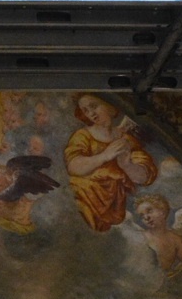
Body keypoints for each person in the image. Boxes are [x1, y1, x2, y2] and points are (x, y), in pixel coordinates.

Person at [64, 95, 157, 232]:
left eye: (94, 106)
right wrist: (104, 156)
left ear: (109, 104)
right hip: (86, 197)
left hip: (115, 203)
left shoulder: (126, 139)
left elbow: (144, 176)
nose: (92, 114)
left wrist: (126, 165)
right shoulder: (83, 135)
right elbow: (73, 166)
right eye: (86, 110)